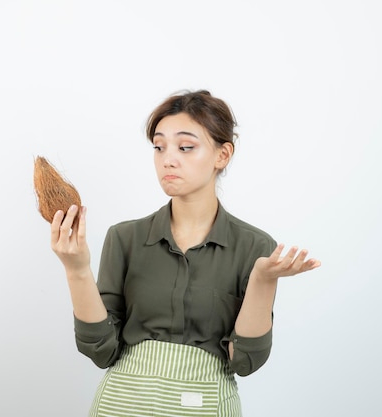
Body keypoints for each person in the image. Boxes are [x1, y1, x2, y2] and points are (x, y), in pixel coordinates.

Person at [49, 90, 321, 416]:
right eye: (159, 147)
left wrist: (263, 280)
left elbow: (245, 361)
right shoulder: (125, 238)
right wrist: (77, 269)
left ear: (223, 155)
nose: (168, 159)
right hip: (121, 406)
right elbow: (102, 350)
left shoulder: (255, 247)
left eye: (185, 147)